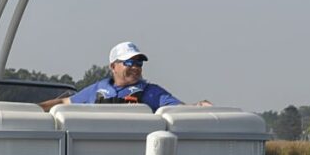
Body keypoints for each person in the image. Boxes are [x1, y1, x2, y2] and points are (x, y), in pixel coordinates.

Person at [40, 41, 211, 112]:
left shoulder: (153, 93)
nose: (136, 67)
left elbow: (179, 108)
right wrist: (36, 108)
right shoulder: (98, 89)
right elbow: (64, 102)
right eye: (129, 63)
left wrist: (197, 106)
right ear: (113, 66)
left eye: (139, 63)